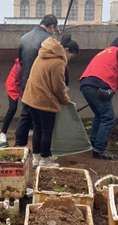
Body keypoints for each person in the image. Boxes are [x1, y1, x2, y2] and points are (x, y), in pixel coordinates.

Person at [22, 35, 80, 167]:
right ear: (66, 49)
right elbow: (58, 87)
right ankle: (45, 160)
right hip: (44, 101)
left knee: (37, 129)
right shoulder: (58, 62)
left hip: (31, 98)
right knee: (47, 131)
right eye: (71, 56)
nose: (69, 59)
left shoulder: (42, 53)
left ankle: (36, 159)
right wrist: (65, 99)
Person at [79, 35, 118, 160]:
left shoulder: (104, 52)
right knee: (108, 118)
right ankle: (99, 149)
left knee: (100, 115)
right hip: (98, 87)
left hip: (85, 84)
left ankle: (94, 144)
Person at [14, 14, 59, 146]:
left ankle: (19, 145)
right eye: (55, 29)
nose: (55, 31)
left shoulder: (24, 38)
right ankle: (42, 153)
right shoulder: (49, 40)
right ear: (52, 26)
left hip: (25, 81)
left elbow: (20, 61)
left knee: (26, 113)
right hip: (40, 84)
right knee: (42, 124)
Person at [0, 58, 22, 142]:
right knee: (12, 108)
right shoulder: (20, 64)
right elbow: (17, 81)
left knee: (28, 107)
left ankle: (30, 128)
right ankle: (3, 132)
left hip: (22, 85)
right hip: (13, 86)